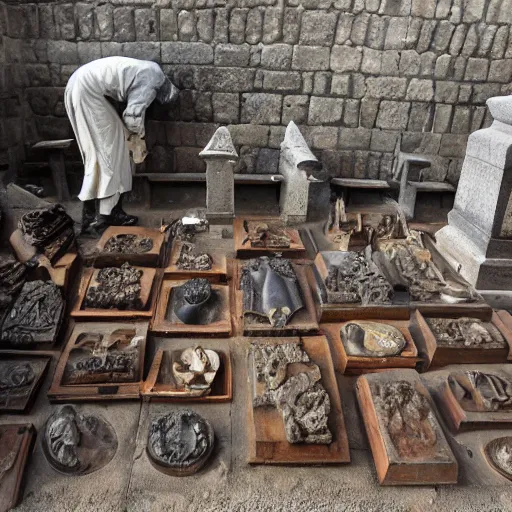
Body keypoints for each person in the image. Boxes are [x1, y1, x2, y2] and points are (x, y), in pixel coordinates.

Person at [64, 57, 178, 233]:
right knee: (108, 155)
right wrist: (140, 138)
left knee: (109, 152)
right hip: (87, 90)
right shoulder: (152, 83)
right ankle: (101, 220)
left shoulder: (152, 70)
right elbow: (132, 118)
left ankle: (108, 213)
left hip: (81, 84)